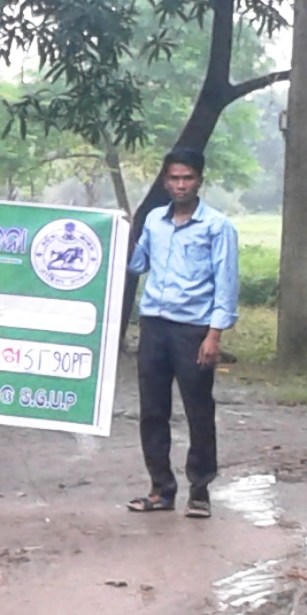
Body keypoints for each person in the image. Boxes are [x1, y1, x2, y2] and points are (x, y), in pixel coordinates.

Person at [124, 147, 241, 519]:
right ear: (164, 181)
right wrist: (122, 234)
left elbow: (226, 283)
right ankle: (161, 489)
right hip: (154, 327)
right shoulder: (156, 221)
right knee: (153, 411)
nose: (179, 185)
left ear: (199, 180)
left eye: (186, 178)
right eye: (173, 178)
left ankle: (200, 490)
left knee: (198, 410)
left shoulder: (217, 226)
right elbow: (137, 264)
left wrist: (214, 335)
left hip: (193, 330)